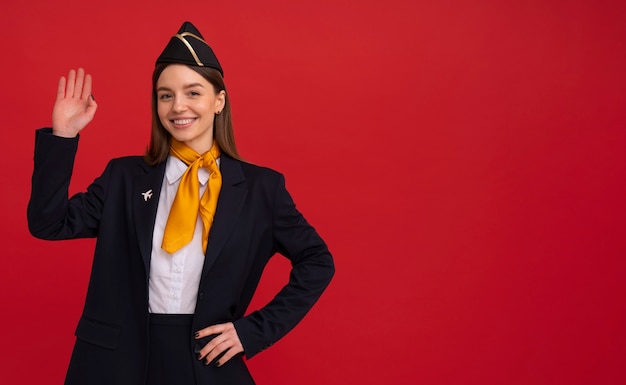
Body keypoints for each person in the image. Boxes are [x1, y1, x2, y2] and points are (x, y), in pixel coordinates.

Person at [27, 21, 334, 385]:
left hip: (206, 362)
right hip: (115, 363)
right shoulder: (124, 178)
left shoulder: (261, 189)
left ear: (218, 101)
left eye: (193, 92)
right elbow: (48, 223)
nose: (178, 106)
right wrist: (63, 135)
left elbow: (318, 261)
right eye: (166, 95)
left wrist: (251, 332)